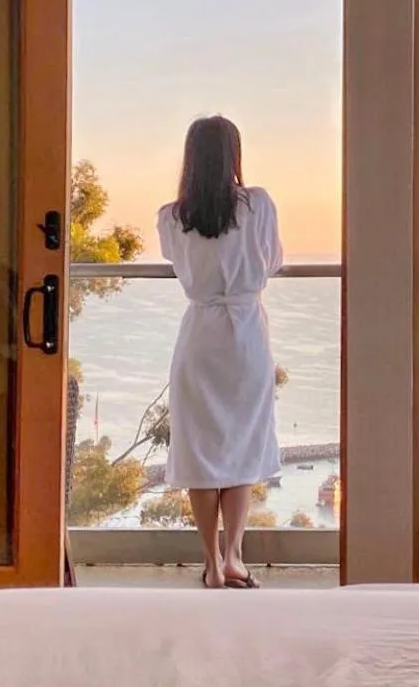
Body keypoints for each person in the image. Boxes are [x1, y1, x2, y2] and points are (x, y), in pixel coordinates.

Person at [157, 116, 283, 589]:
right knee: (241, 448)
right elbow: (272, 262)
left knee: (202, 450)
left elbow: (179, 263)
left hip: (200, 336)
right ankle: (235, 557)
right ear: (235, 155)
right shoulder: (259, 206)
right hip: (246, 336)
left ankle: (210, 562)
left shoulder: (172, 216)